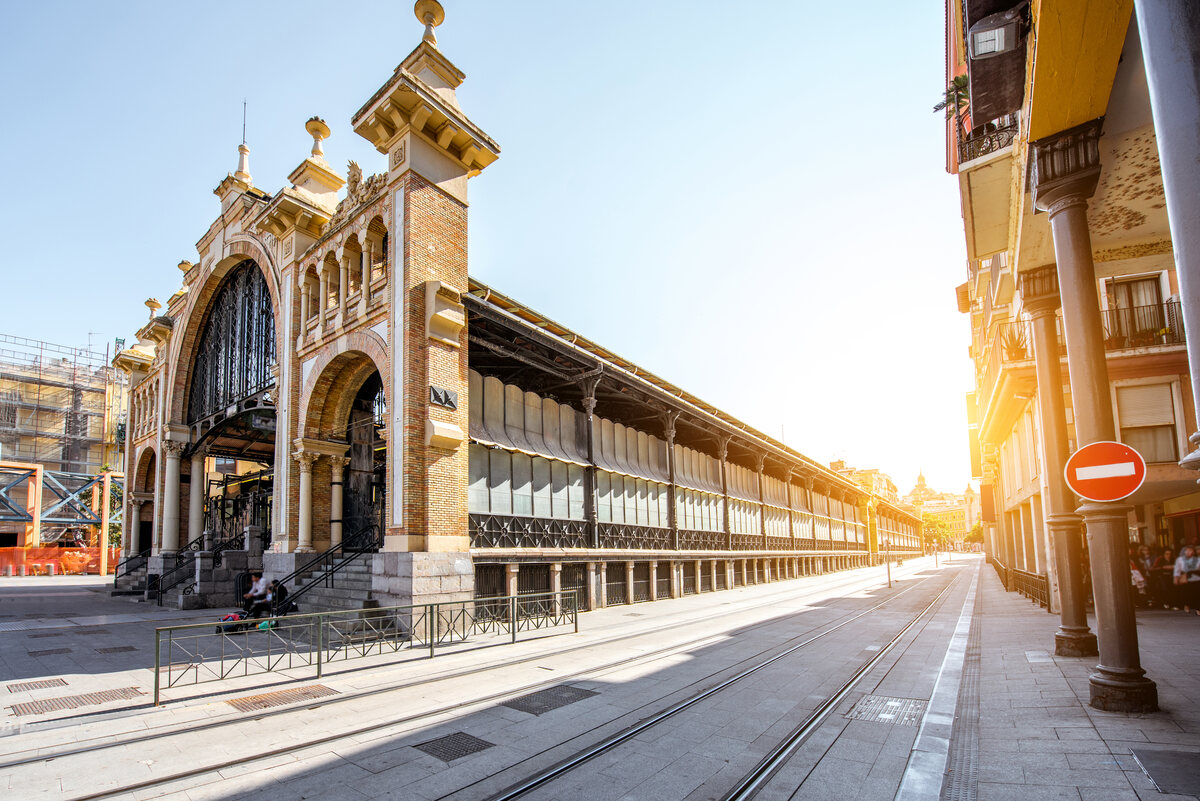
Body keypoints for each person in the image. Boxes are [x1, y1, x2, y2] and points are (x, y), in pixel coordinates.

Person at [1173, 546, 1200, 613]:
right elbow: (1177, 569)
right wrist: (1176, 578)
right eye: (1188, 550)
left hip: (1196, 577)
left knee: (1197, 593)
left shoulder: (1197, 559)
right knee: (1187, 593)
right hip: (1185, 578)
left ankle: (1198, 609)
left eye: (1191, 550)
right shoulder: (1180, 559)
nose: (1190, 552)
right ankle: (1186, 605)